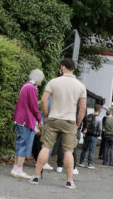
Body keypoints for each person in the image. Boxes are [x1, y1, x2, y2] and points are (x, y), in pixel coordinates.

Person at [31, 58, 86, 189]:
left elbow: (43, 101)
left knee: (46, 147)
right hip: (70, 121)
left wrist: (46, 115)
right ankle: (69, 180)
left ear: (62, 67)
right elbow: (82, 109)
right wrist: (77, 123)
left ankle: (36, 177)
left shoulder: (53, 82)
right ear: (73, 69)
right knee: (68, 150)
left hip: (53, 119)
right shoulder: (80, 86)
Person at [11, 69, 44, 179]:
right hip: (26, 120)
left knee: (19, 143)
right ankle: (19, 169)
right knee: (24, 144)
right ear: (38, 79)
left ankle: (15, 168)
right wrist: (39, 119)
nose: (41, 83)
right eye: (41, 80)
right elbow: (34, 106)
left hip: (19, 119)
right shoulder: (32, 88)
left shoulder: (25, 86)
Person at [78, 104, 103, 169]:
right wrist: (99, 135)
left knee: (84, 149)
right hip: (94, 136)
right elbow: (100, 128)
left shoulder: (88, 116)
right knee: (91, 150)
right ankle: (89, 164)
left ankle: (81, 162)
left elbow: (85, 125)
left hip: (87, 135)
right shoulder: (99, 118)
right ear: (99, 110)